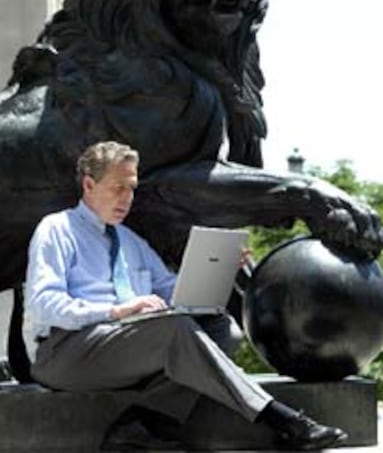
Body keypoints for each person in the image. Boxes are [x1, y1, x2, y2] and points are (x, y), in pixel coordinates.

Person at [25, 141, 347, 451]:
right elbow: (44, 304)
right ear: (89, 185)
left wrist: (216, 268)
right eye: (117, 187)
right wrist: (117, 311)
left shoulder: (130, 240)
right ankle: (280, 418)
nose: (127, 198)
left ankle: (143, 422)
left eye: (132, 188)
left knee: (224, 330)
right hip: (65, 353)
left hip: (126, 345)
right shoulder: (56, 229)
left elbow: (170, 290)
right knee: (172, 331)